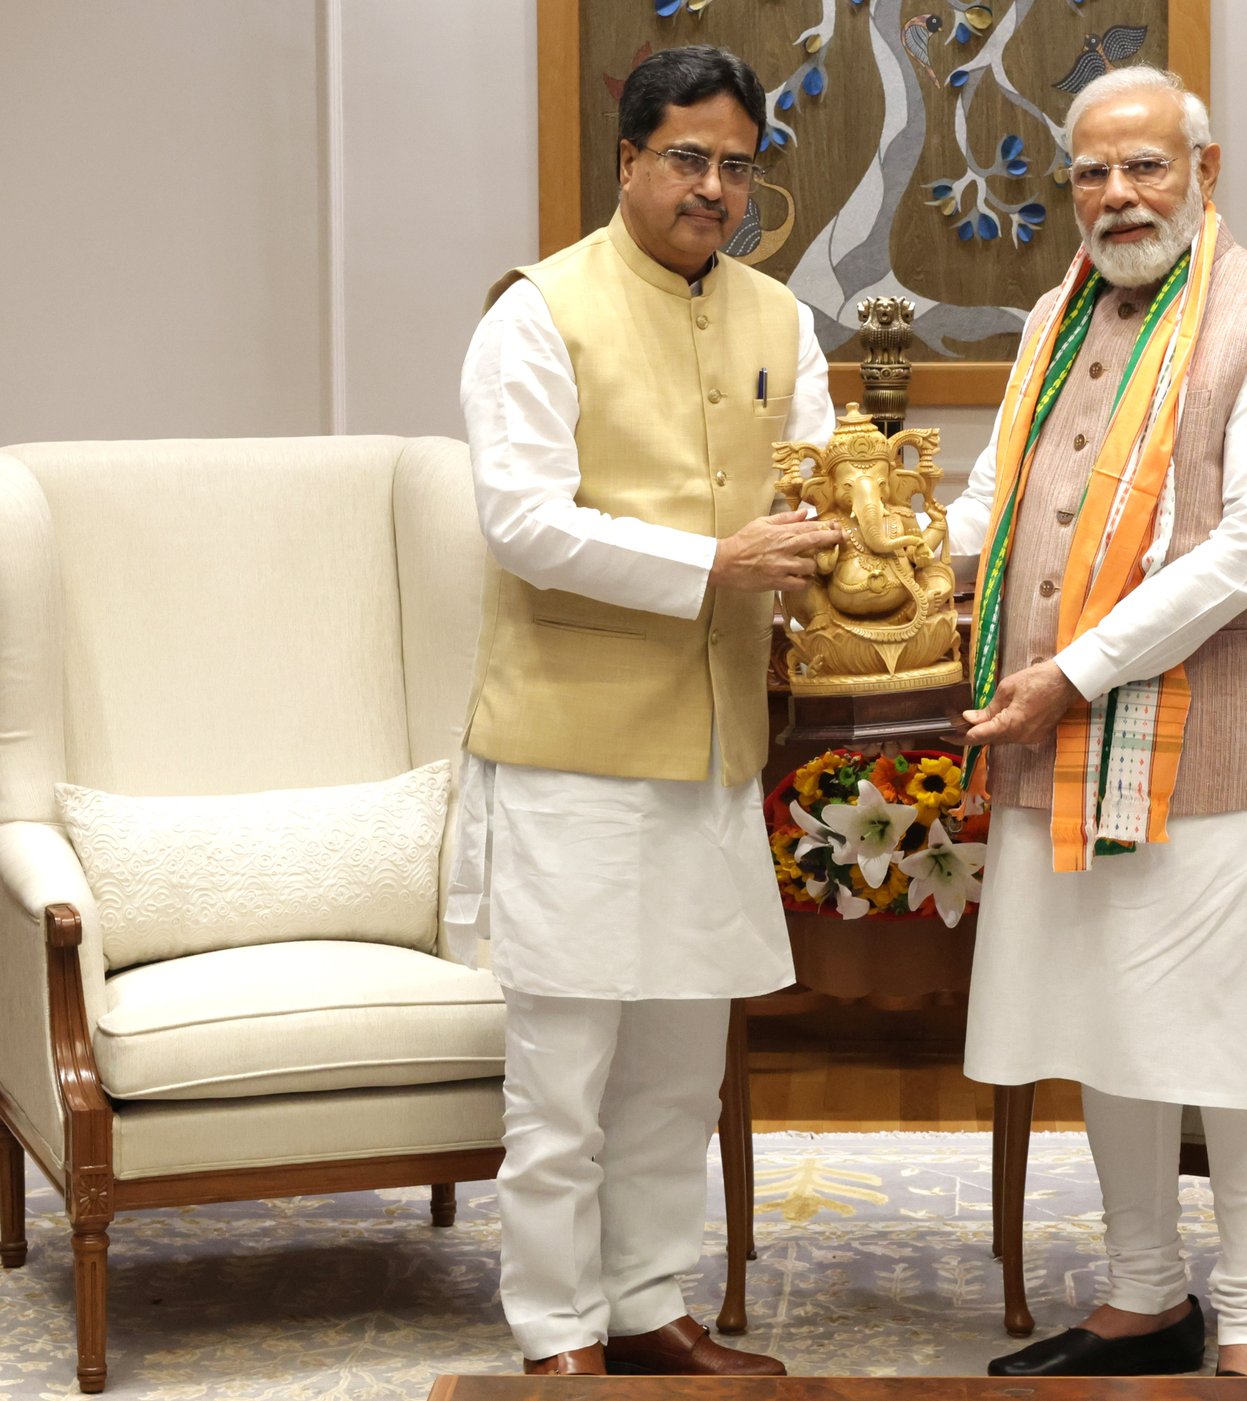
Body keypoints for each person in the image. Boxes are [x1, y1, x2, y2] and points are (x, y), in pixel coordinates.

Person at [947, 65, 1247, 1380]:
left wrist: (1077, 672)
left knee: (1230, 1046)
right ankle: (1141, 1296)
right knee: (1106, 1022)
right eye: (1092, 172)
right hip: (1060, 746)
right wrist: (880, 572)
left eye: (1146, 166)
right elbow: (996, 501)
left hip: (1209, 755)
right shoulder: (1054, 315)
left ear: (1205, 172)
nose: (1118, 195)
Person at [443, 43, 838, 1378]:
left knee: (677, 1067)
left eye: (738, 165)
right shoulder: (536, 311)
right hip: (573, 749)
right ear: (627, 161)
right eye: (687, 158)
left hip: (714, 748)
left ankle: (648, 1304)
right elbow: (522, 520)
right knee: (563, 1079)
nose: (714, 188)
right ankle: (557, 1331)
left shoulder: (781, 319)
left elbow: (816, 492)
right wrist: (714, 563)